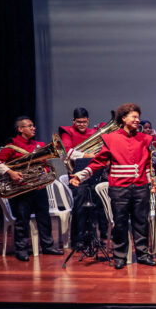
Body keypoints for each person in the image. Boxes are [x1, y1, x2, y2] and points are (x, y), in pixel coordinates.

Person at [69, 103, 156, 269]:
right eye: (134, 117)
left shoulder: (145, 139)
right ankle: (120, 257)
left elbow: (147, 165)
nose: (138, 120)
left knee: (141, 222)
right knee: (120, 223)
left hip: (140, 187)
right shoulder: (111, 138)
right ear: (123, 118)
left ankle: (143, 254)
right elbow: (97, 162)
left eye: (138, 117)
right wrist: (80, 176)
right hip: (119, 189)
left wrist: (152, 182)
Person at [0, 117, 64, 261]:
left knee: (44, 218)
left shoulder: (39, 145)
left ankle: (48, 246)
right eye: (29, 126)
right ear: (20, 129)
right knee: (22, 220)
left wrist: (44, 172)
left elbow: (45, 165)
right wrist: (10, 173)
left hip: (38, 187)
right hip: (22, 190)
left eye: (33, 126)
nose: (33, 128)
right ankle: (21, 249)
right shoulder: (12, 146)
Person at [59, 107, 100, 250]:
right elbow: (67, 152)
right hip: (76, 174)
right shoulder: (67, 131)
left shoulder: (94, 132)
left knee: (94, 207)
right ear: (73, 121)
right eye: (78, 122)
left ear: (88, 120)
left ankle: (92, 238)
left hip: (93, 174)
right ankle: (78, 239)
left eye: (84, 122)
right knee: (80, 207)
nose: (82, 124)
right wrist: (86, 155)